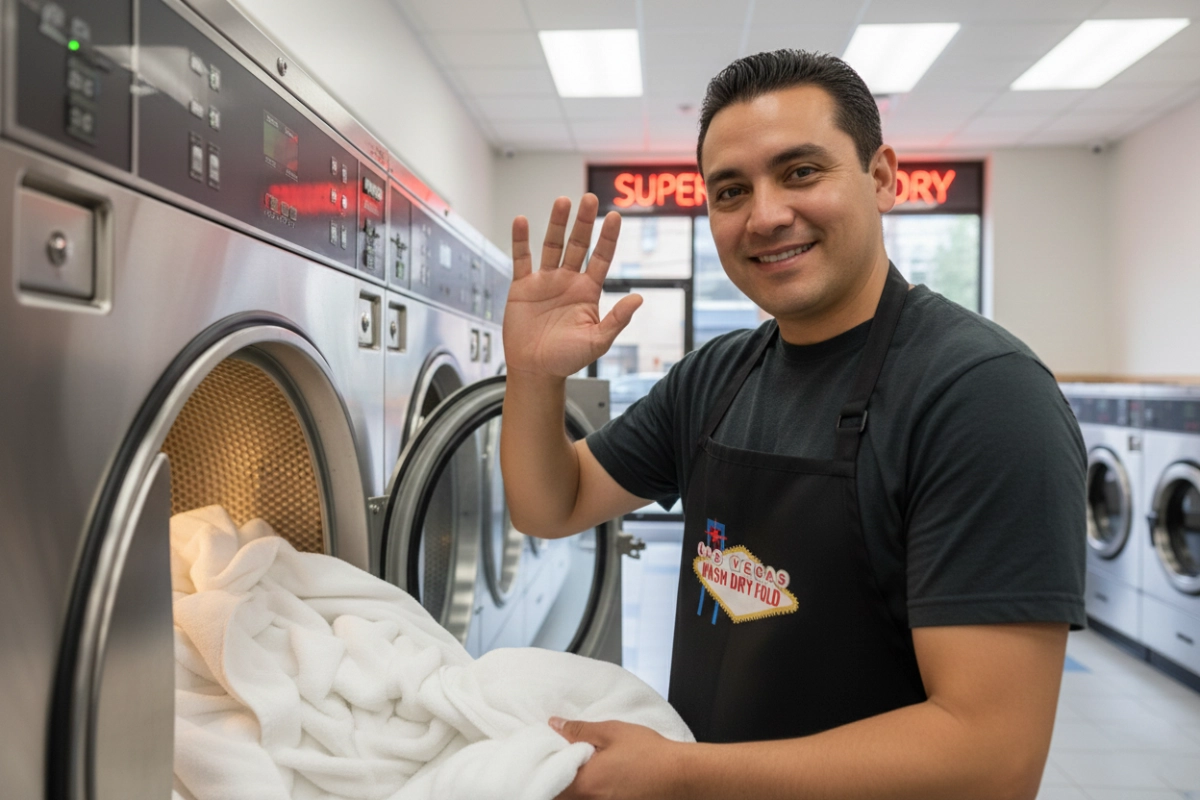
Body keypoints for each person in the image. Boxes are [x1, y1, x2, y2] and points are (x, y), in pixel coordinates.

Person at [500, 49, 1085, 800]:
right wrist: (535, 376)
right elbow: (551, 504)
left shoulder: (982, 396)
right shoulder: (715, 377)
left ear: (881, 178)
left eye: (801, 171)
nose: (767, 215)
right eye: (731, 190)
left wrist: (680, 774)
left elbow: (991, 755)